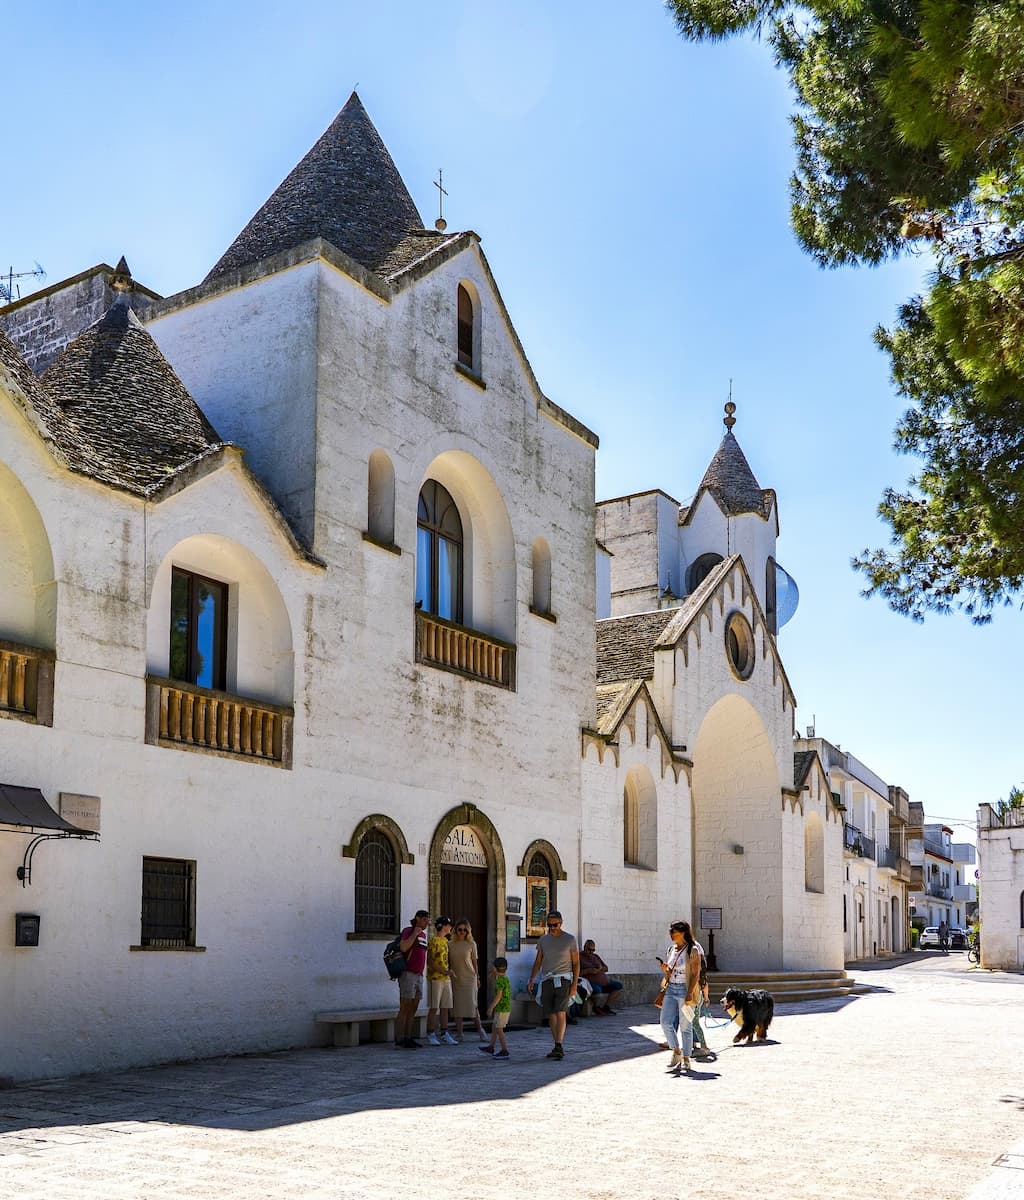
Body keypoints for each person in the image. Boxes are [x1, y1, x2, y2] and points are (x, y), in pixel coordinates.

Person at [526, 910, 579, 1061]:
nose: (552, 928)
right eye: (550, 925)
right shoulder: (543, 940)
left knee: (560, 1011)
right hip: (547, 979)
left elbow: (576, 963)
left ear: (561, 923)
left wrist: (574, 983)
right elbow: (538, 961)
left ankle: (559, 1044)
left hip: (563, 979)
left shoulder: (570, 939)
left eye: (555, 925)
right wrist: (532, 979)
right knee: (550, 1013)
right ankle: (557, 1044)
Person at [659, 920, 702, 1071]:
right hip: (671, 989)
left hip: (685, 990)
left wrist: (690, 993)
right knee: (665, 1022)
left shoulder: (693, 949)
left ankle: (686, 1058)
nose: (671, 935)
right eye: (670, 932)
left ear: (683, 932)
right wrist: (665, 969)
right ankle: (676, 1051)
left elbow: (696, 974)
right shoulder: (671, 949)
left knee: (686, 1026)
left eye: (674, 932)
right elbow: (670, 972)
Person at [396, 909, 430, 1049]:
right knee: (405, 1006)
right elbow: (403, 947)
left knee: (413, 1007)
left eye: (428, 920)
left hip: (419, 975)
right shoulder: (409, 930)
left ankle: (408, 1037)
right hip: (408, 974)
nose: (427, 922)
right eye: (424, 920)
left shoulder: (423, 935)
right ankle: (400, 1038)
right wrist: (414, 933)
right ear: (417, 918)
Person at [449, 918, 487, 1043]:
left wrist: (477, 977)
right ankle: (460, 1033)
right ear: (455, 930)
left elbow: (475, 963)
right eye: (460, 930)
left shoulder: (472, 944)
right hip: (455, 978)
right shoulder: (450, 944)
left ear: (468, 931)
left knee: (473, 1005)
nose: (462, 932)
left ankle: (480, 1030)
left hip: (469, 978)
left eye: (465, 930)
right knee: (457, 1006)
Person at [426, 916, 457, 1045]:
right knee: (434, 1007)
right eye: (448, 925)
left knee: (445, 1007)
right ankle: (430, 1033)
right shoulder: (433, 941)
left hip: (446, 979)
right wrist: (445, 971)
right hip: (435, 978)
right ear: (443, 926)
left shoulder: (445, 941)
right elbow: (430, 962)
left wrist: (448, 972)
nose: (450, 927)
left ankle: (444, 1033)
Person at [479, 956, 512, 1060]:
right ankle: (491, 1047)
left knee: (499, 1028)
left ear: (494, 968)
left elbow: (499, 996)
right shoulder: (504, 978)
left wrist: (491, 1007)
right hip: (504, 1007)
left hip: (502, 1008)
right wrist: (493, 974)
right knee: (494, 1026)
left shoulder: (499, 981)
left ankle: (504, 1050)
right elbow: (490, 978)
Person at [579, 940, 624, 1015]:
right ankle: (596, 1007)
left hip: (605, 983)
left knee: (618, 986)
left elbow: (606, 968)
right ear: (584, 947)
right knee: (597, 990)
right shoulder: (579, 957)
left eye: (593, 950)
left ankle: (606, 1007)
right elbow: (577, 973)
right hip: (591, 983)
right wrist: (588, 971)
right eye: (589, 950)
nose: (591, 952)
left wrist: (600, 969)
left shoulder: (596, 956)